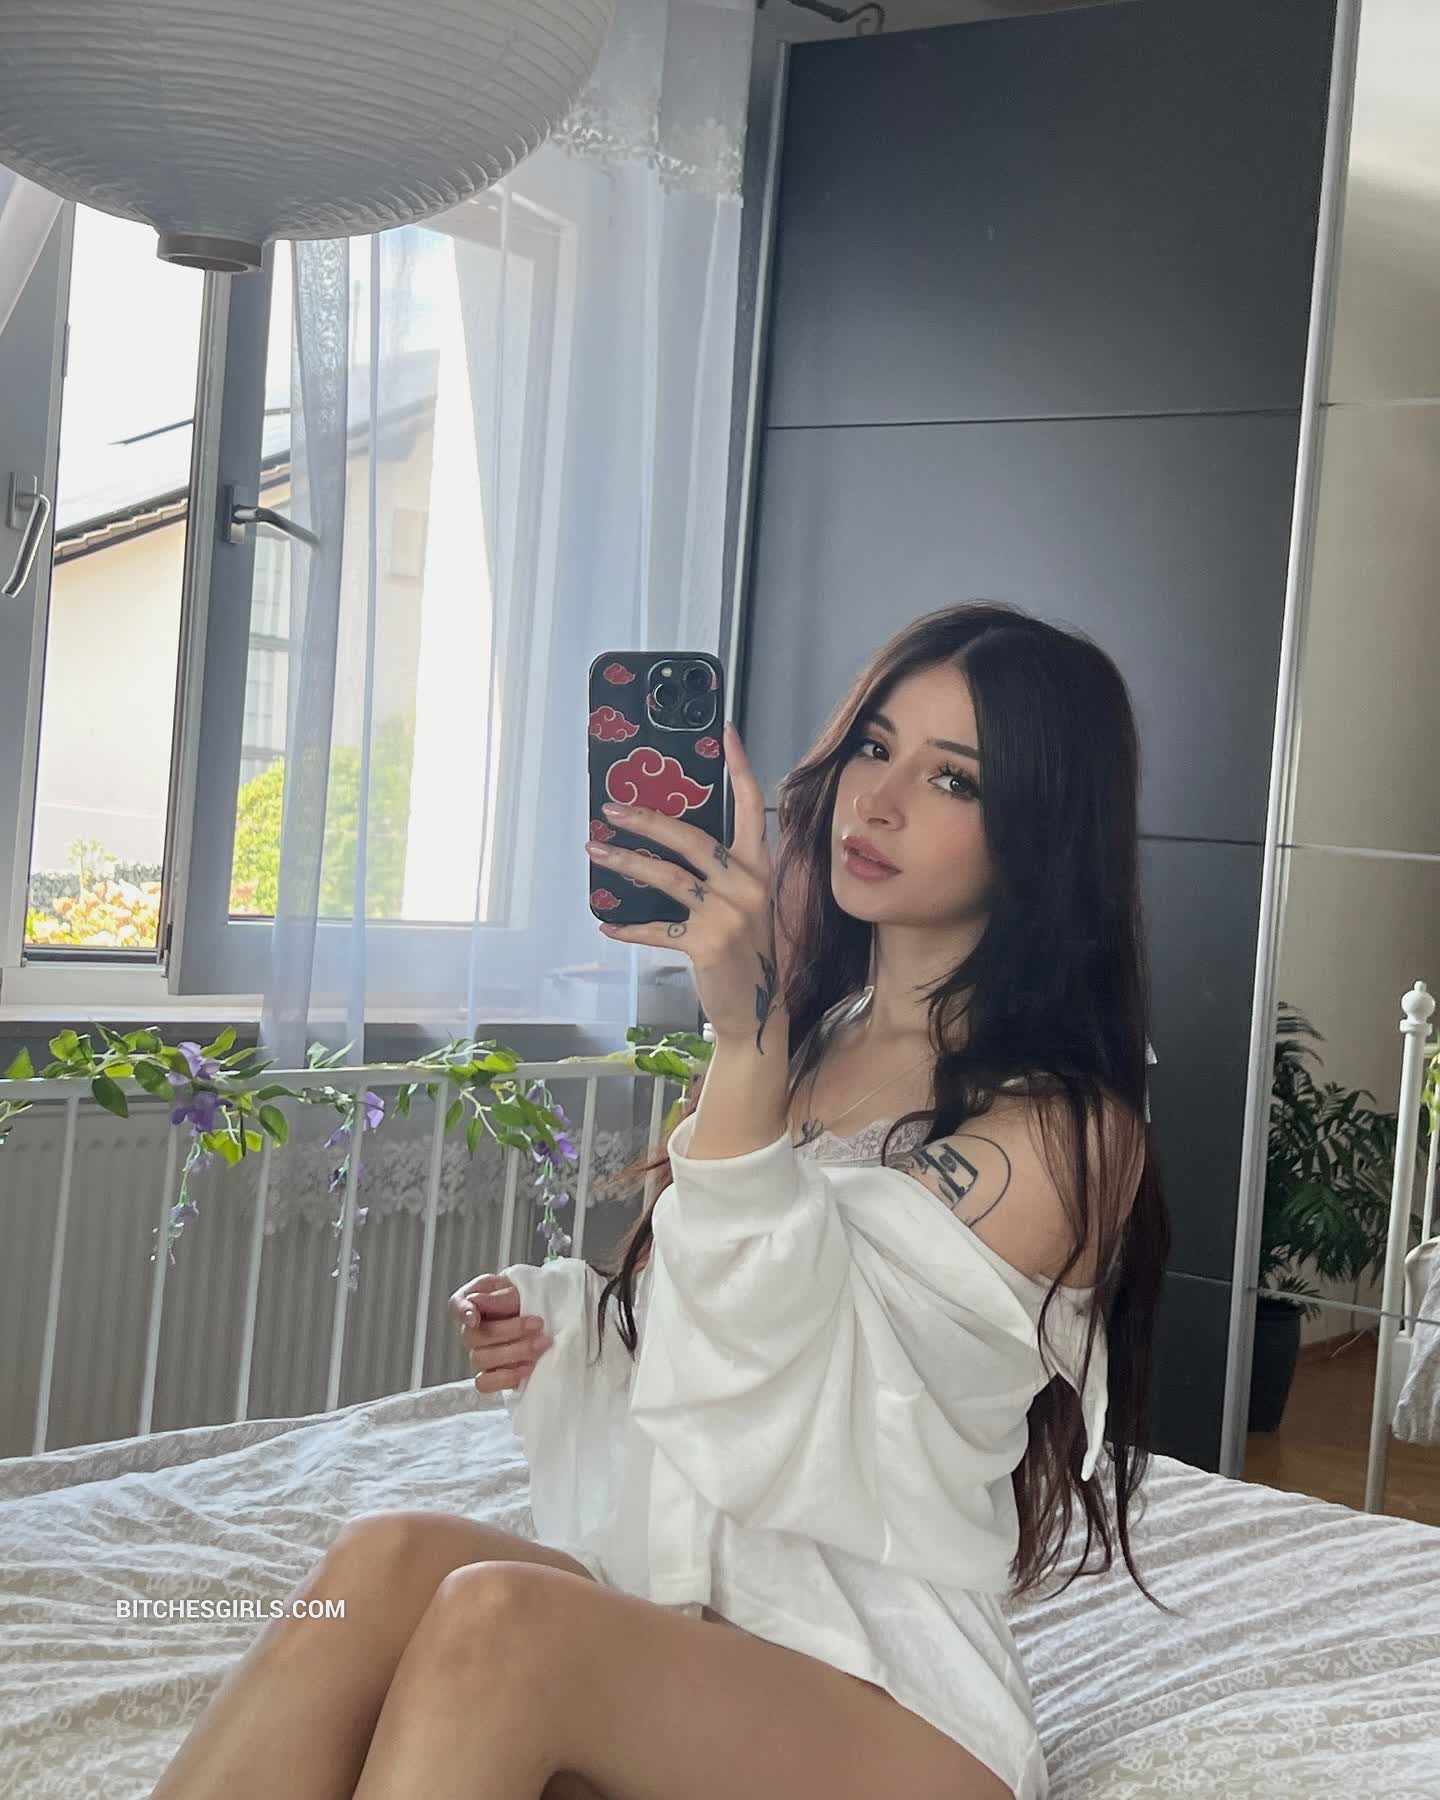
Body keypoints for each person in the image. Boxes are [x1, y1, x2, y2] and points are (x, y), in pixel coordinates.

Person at [149, 600, 1171, 1800]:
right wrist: (571, 1322)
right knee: (383, 1559)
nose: (879, 799)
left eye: (954, 779)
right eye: (873, 745)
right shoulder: (803, 1041)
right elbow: (708, 1319)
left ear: (1040, 833)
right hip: (698, 1613)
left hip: (891, 1694)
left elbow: (790, 1376)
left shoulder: (1068, 1132)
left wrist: (743, 1037)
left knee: (501, 1622)